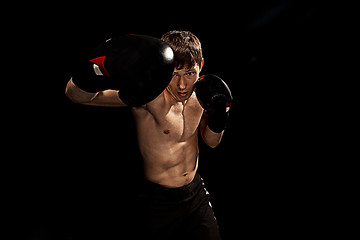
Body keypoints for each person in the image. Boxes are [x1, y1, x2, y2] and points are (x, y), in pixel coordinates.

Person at [65, 30, 232, 240]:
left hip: (195, 193)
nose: (182, 86)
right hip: (159, 201)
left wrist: (219, 117)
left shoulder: (204, 93)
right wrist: (94, 71)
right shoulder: (150, 97)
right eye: (174, 74)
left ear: (201, 66)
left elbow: (212, 142)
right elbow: (77, 96)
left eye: (189, 73)